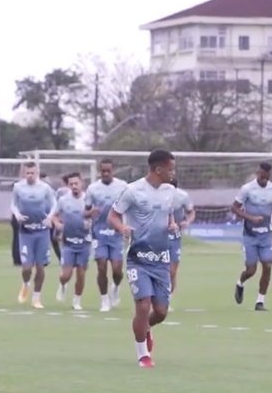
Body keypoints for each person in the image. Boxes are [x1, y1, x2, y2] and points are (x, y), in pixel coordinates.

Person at [108, 149, 179, 368]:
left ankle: (145, 328)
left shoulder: (170, 191)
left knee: (160, 312)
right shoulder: (132, 190)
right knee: (142, 305)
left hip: (161, 259)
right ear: (158, 169)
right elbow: (113, 215)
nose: (173, 173)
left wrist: (172, 224)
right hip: (138, 258)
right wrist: (122, 228)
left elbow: (167, 214)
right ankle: (143, 355)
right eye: (170, 169)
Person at [232, 162, 272, 311]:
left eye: (266, 178)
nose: (264, 180)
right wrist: (250, 218)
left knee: (267, 265)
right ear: (257, 173)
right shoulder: (247, 189)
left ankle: (260, 301)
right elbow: (234, 207)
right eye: (262, 177)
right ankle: (240, 282)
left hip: (266, 235)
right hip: (250, 235)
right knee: (251, 270)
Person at [85, 159, 129, 312]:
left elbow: (129, 206)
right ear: (99, 171)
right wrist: (90, 213)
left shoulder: (123, 186)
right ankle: (104, 300)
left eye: (108, 171)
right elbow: (85, 212)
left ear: (113, 170)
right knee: (102, 267)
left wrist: (126, 226)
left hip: (116, 233)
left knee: (117, 270)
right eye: (102, 171)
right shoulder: (92, 188)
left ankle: (115, 287)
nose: (105, 173)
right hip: (99, 234)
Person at [11, 161, 56, 309]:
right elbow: (13, 204)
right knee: (26, 268)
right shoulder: (18, 187)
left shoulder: (45, 188)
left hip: (42, 231)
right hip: (25, 231)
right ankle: (25, 284)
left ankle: (36, 298)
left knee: (40, 266)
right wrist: (17, 215)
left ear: (37, 173)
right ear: (24, 173)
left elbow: (54, 204)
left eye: (32, 173)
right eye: (27, 173)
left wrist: (49, 217)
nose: (30, 176)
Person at [52, 172, 91, 311]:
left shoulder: (88, 199)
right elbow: (55, 216)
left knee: (81, 274)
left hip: (85, 243)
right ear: (68, 185)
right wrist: (57, 224)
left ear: (82, 184)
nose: (74, 186)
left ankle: (76, 300)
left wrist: (90, 223)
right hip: (68, 243)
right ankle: (62, 285)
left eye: (76, 183)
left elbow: (97, 216)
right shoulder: (63, 200)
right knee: (66, 275)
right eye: (71, 184)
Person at [168, 179, 196, 299]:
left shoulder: (182, 196)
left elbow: (191, 212)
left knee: (172, 272)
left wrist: (187, 222)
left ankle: (167, 299)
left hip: (175, 236)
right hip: (157, 236)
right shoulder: (154, 196)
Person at [42, 172, 63, 262]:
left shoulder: (52, 191)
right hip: (40, 219)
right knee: (42, 239)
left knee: (53, 239)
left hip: (50, 218)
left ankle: (61, 258)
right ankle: (41, 258)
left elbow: (56, 205)